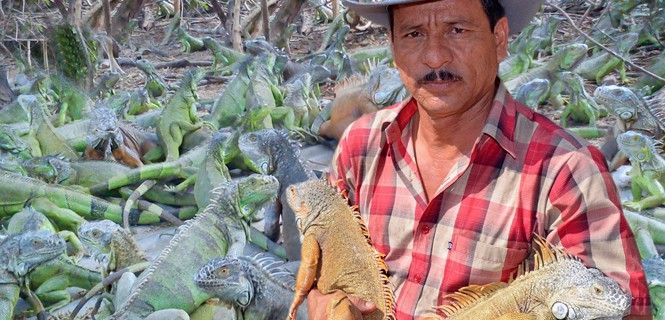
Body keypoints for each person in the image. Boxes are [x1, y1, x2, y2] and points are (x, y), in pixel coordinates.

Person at [310, 0, 653, 319]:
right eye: (414, 34)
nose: (434, 57)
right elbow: (320, 269)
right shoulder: (361, 146)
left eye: (457, 30)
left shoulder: (566, 171)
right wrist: (330, 302)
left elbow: (619, 305)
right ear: (394, 49)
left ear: (499, 39)